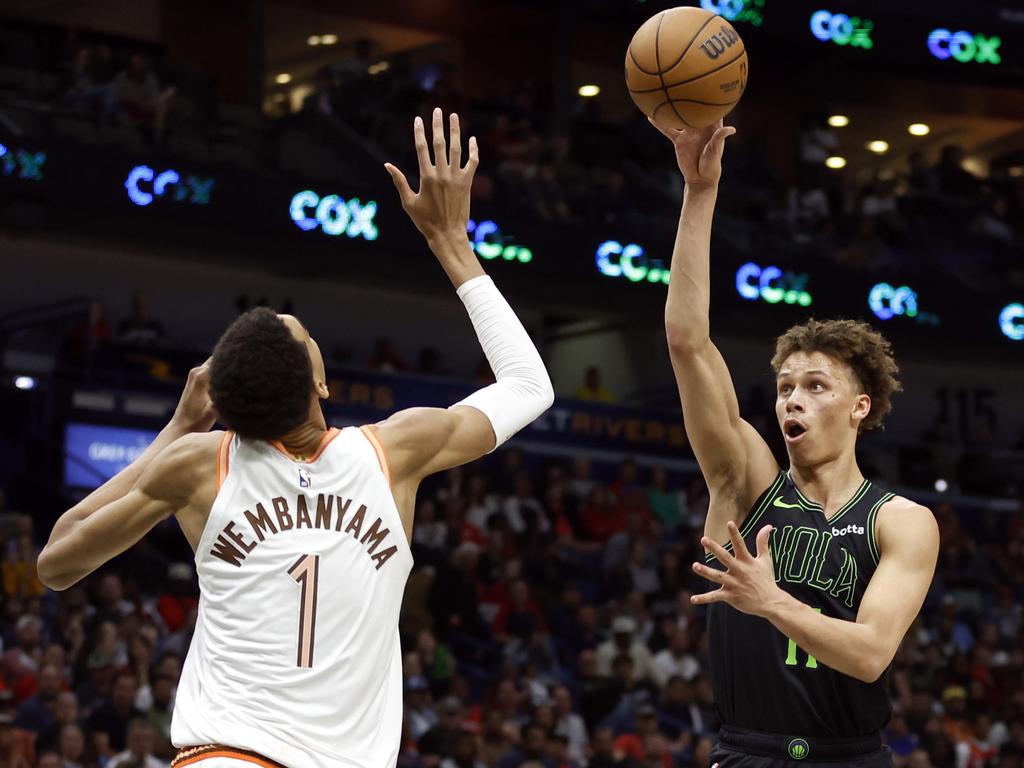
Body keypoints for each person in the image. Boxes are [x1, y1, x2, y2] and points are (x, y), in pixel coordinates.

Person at [37, 108, 553, 768]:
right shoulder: (393, 450)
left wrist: (178, 427)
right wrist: (453, 244)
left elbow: (56, 562)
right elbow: (529, 386)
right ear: (322, 383)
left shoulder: (199, 464)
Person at [652, 116, 939, 767]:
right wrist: (699, 192)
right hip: (748, 752)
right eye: (785, 387)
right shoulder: (746, 479)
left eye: (815, 386)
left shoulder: (903, 522)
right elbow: (687, 343)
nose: (793, 399)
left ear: (859, 407)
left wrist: (771, 601)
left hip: (852, 756)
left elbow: (869, 655)